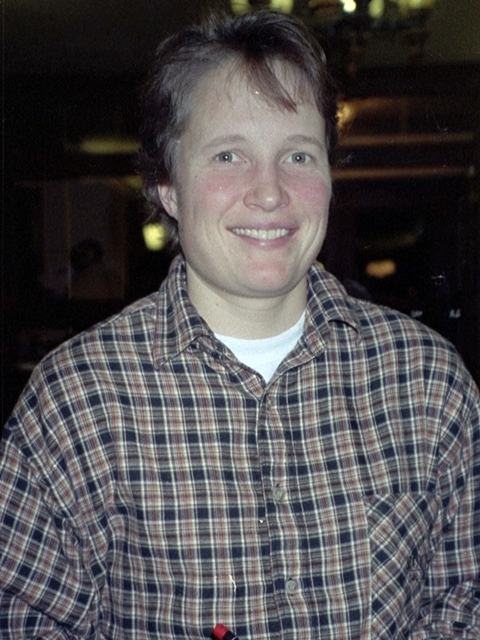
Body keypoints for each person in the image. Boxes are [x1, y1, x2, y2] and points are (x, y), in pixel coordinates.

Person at [1, 10, 479, 640]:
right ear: (168, 187)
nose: (270, 193)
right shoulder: (74, 401)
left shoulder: (429, 382)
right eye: (229, 155)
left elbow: (465, 603)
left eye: (298, 155)